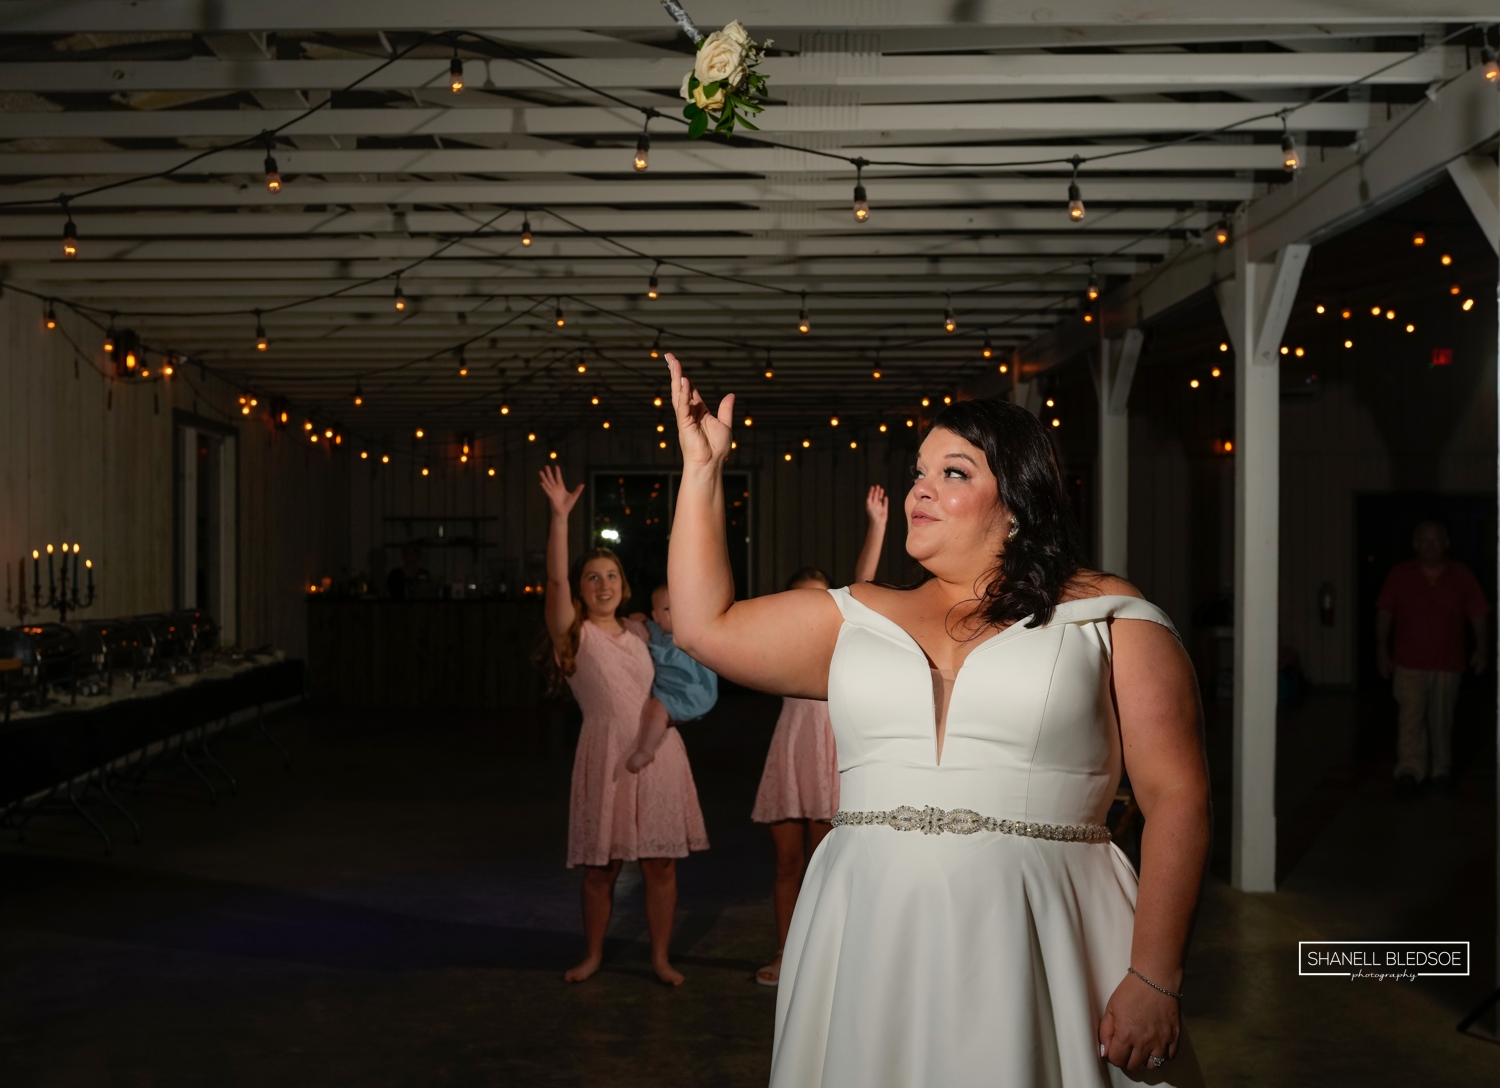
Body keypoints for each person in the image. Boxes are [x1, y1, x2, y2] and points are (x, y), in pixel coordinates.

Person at [664, 353, 1210, 1085]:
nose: (922, 487)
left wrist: (1155, 974)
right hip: (870, 927)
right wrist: (702, 473)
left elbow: (1177, 797)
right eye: (920, 471)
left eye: (953, 472)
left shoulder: (1109, 616)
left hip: (1044, 929)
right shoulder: (856, 614)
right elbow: (704, 627)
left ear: (1017, 498)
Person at [536, 465, 709, 986]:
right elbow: (553, 580)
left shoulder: (642, 631)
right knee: (601, 868)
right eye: (593, 577)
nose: (603, 584)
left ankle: (659, 957)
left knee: (660, 864)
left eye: (611, 576)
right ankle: (592, 954)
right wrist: (560, 518)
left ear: (624, 585)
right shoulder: (574, 635)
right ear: (582, 589)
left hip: (657, 753)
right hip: (607, 753)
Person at [752, 485, 888, 987]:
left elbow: (865, 587)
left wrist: (876, 525)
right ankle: (787, 953)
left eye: (821, 599)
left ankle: (831, 961)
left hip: (831, 754)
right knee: (788, 863)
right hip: (790, 754)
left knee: (829, 865)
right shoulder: (779, 644)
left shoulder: (844, 641)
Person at [1375, 519, 1489, 798]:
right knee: (1410, 718)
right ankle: (1410, 771)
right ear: (1415, 545)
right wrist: (1381, 650)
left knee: (1441, 720)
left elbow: (1478, 613)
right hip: (1408, 663)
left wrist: (1483, 647)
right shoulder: (1400, 574)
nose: (1430, 545)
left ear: (1446, 543)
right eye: (1424, 540)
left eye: (1436, 539)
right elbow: (1385, 613)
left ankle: (1441, 771)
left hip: (1447, 664)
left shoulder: (1462, 575)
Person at [625, 584, 720, 775]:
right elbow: (636, 626)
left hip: (691, 690)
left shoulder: (693, 634)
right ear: (656, 616)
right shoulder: (654, 630)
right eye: (668, 609)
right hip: (669, 690)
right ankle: (648, 746)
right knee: (655, 710)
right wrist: (636, 620)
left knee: (657, 709)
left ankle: (646, 750)